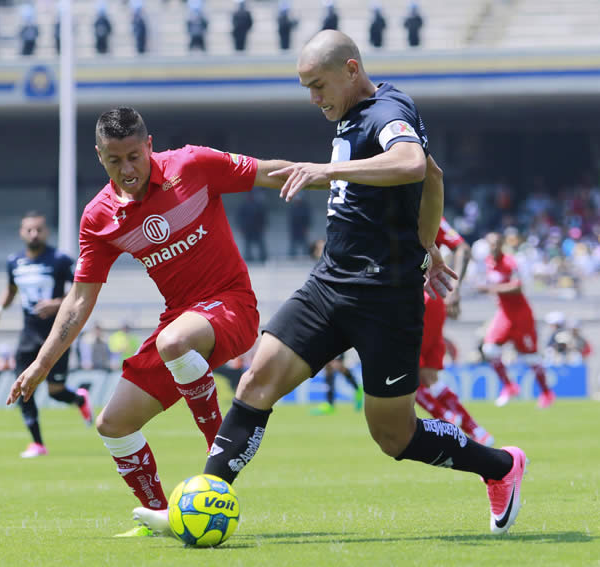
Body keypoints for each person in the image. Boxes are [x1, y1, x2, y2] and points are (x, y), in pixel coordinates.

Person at [194, 31, 526, 538]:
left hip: (385, 299)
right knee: (257, 382)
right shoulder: (350, 115)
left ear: (351, 70)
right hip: (329, 284)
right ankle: (202, 502)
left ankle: (500, 467)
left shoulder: (387, 110)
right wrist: (428, 244)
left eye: (318, 85)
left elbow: (413, 164)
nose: (314, 98)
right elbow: (432, 179)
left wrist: (326, 169)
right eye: (306, 88)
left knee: (393, 435)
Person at [6, 107, 305, 537]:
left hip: (231, 306)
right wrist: (41, 364)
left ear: (149, 145)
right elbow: (79, 300)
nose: (127, 169)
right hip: (179, 324)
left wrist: (339, 174)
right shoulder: (99, 217)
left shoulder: (193, 165)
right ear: (98, 156)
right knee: (112, 424)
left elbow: (268, 173)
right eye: (114, 160)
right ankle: (161, 517)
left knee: (173, 341)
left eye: (134, 156)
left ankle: (219, 451)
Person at [0, 211, 93, 459]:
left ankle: (79, 400)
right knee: (22, 387)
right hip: (28, 336)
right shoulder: (14, 261)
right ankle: (38, 444)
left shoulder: (60, 260)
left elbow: (81, 292)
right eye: (29, 230)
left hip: (57, 335)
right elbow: (11, 289)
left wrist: (56, 304)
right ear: (21, 232)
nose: (34, 234)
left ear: (46, 232)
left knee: (56, 392)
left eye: (38, 229)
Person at [414, 217, 494, 446]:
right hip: (436, 296)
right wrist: (455, 290)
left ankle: (449, 420)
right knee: (429, 377)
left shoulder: (394, 206)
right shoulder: (431, 211)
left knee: (407, 376)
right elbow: (462, 248)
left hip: (411, 299)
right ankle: (476, 430)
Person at [477, 232, 556, 408]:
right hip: (504, 313)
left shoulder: (511, 262)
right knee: (489, 348)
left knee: (531, 357)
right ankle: (509, 386)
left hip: (521, 314)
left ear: (502, 244)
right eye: (491, 244)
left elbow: (518, 287)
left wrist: (491, 288)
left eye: (497, 243)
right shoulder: (489, 263)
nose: (494, 247)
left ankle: (546, 393)